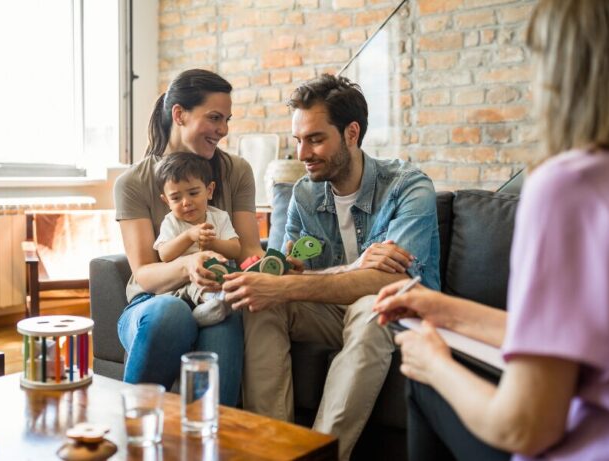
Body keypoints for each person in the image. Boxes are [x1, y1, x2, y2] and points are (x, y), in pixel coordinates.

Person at [373, 0, 609, 459]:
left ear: (564, 72)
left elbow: (524, 427)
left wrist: (434, 365)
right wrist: (444, 309)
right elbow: (580, 337)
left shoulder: (574, 185)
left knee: (422, 383)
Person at [222, 74, 441, 460]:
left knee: (374, 308)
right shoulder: (304, 194)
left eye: (316, 139)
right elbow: (276, 274)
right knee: (262, 304)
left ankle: (317, 456)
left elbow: (393, 282)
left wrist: (295, 282)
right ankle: (272, 451)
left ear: (351, 133)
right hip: (328, 312)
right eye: (297, 140)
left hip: (397, 314)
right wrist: (347, 268)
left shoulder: (408, 186)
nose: (302, 153)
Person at [113, 69, 263, 407]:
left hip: (214, 294)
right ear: (179, 114)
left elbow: (250, 250)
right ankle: (133, 426)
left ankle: (209, 443)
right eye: (214, 118)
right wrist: (189, 264)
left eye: (226, 119)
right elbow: (145, 274)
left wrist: (274, 268)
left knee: (224, 317)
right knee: (170, 313)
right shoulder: (133, 183)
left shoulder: (236, 171)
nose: (223, 130)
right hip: (151, 303)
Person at [153, 151, 241, 327]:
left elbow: (235, 250)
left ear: (209, 191)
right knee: (200, 289)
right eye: (176, 198)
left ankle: (218, 304)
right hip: (183, 282)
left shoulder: (220, 217)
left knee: (231, 283)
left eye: (193, 193)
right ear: (166, 201)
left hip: (217, 276)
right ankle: (205, 313)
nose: (186, 202)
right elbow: (164, 254)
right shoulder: (171, 222)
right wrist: (188, 236)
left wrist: (213, 243)